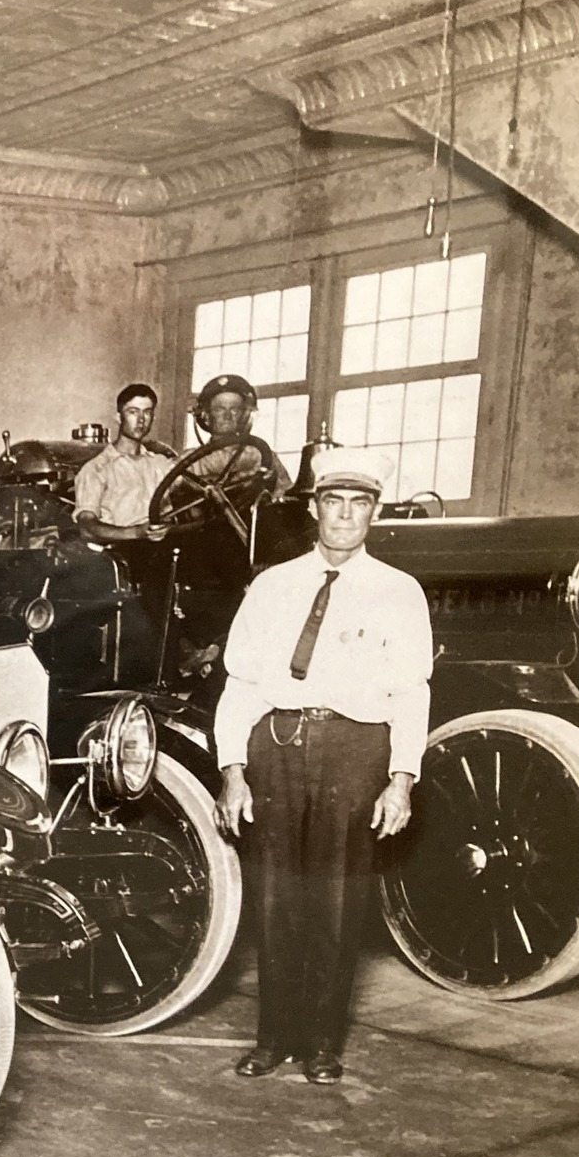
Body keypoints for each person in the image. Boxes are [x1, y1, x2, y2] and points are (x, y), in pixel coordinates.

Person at [213, 446, 432, 1085]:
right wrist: (232, 771)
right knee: (276, 899)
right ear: (313, 509)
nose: (344, 515)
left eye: (358, 503)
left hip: (354, 750)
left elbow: (411, 692)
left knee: (338, 902)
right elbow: (240, 683)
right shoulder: (273, 585)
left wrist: (401, 779)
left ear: (374, 512)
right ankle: (273, 1039)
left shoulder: (399, 591)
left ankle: (323, 1045)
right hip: (275, 745)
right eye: (332, 501)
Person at [73, 383, 175, 544]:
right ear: (119, 417)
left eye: (147, 412)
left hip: (164, 550)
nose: (141, 420)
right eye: (133, 412)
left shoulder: (159, 463)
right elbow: (87, 527)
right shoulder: (97, 469)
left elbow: (198, 478)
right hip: (119, 554)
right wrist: (136, 532)